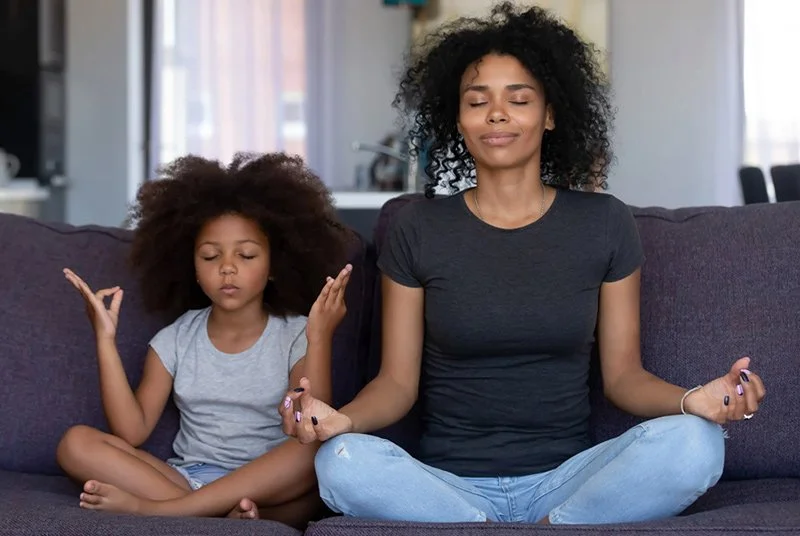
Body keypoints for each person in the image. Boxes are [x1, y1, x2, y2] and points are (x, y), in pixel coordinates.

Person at [279, 3, 767, 526]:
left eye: (519, 99)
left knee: (697, 442)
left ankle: (550, 525)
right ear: (458, 117)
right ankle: (491, 526)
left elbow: (624, 378)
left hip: (569, 480)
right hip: (447, 486)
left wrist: (697, 401)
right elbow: (397, 384)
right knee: (340, 460)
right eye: (476, 100)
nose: (496, 113)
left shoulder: (603, 223)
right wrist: (341, 421)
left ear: (550, 114)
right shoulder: (418, 230)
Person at [56, 152, 354, 528]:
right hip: (188, 478)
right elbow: (132, 431)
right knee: (75, 443)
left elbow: (306, 422)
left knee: (310, 452)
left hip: (269, 484)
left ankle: (166, 511)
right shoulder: (176, 339)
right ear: (192, 268)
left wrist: (320, 336)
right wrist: (104, 340)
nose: (227, 267)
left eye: (246, 255)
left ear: (275, 265)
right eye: (210, 256)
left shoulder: (295, 333)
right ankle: (226, 516)